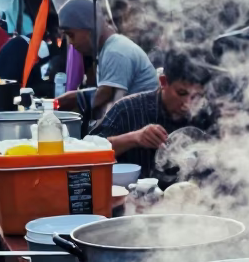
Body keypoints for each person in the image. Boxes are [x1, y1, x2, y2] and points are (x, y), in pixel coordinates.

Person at [90, 50, 211, 182]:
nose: (189, 104)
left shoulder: (207, 116)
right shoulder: (128, 109)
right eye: (181, 93)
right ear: (163, 82)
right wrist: (134, 138)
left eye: (197, 96)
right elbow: (89, 154)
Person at [55, 0, 158, 119]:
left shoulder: (115, 51)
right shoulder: (108, 49)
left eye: (71, 35)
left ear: (89, 26)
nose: (71, 43)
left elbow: (113, 113)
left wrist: (77, 100)